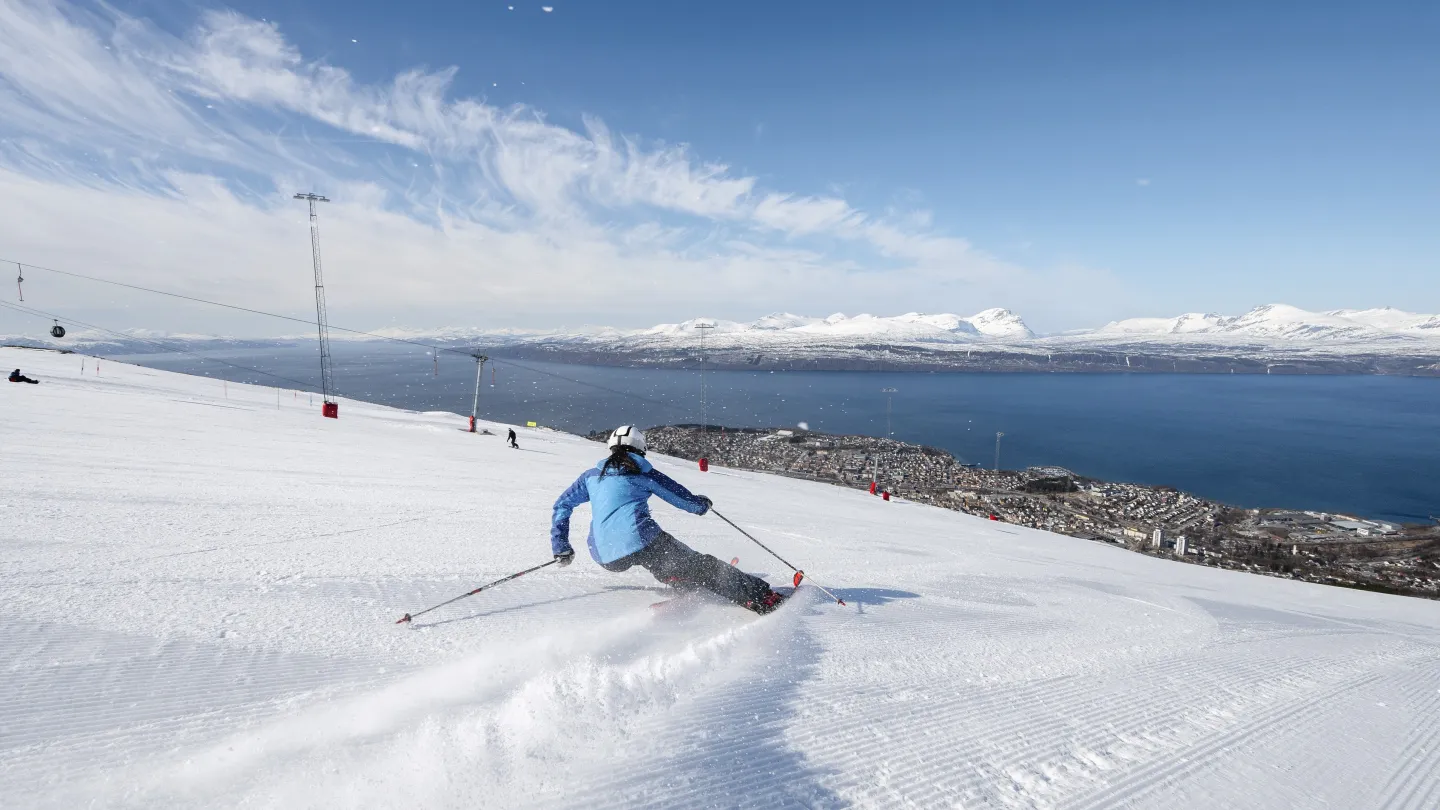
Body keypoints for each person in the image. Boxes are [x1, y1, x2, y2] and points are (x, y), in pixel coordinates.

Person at [550, 425, 787, 614]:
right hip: (641, 540)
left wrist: (561, 547)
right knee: (703, 565)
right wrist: (701, 504)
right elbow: (685, 501)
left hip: (604, 555)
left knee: (659, 555)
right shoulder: (643, 474)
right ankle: (764, 598)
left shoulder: (590, 477)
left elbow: (562, 505)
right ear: (641, 448)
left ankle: (678, 577)